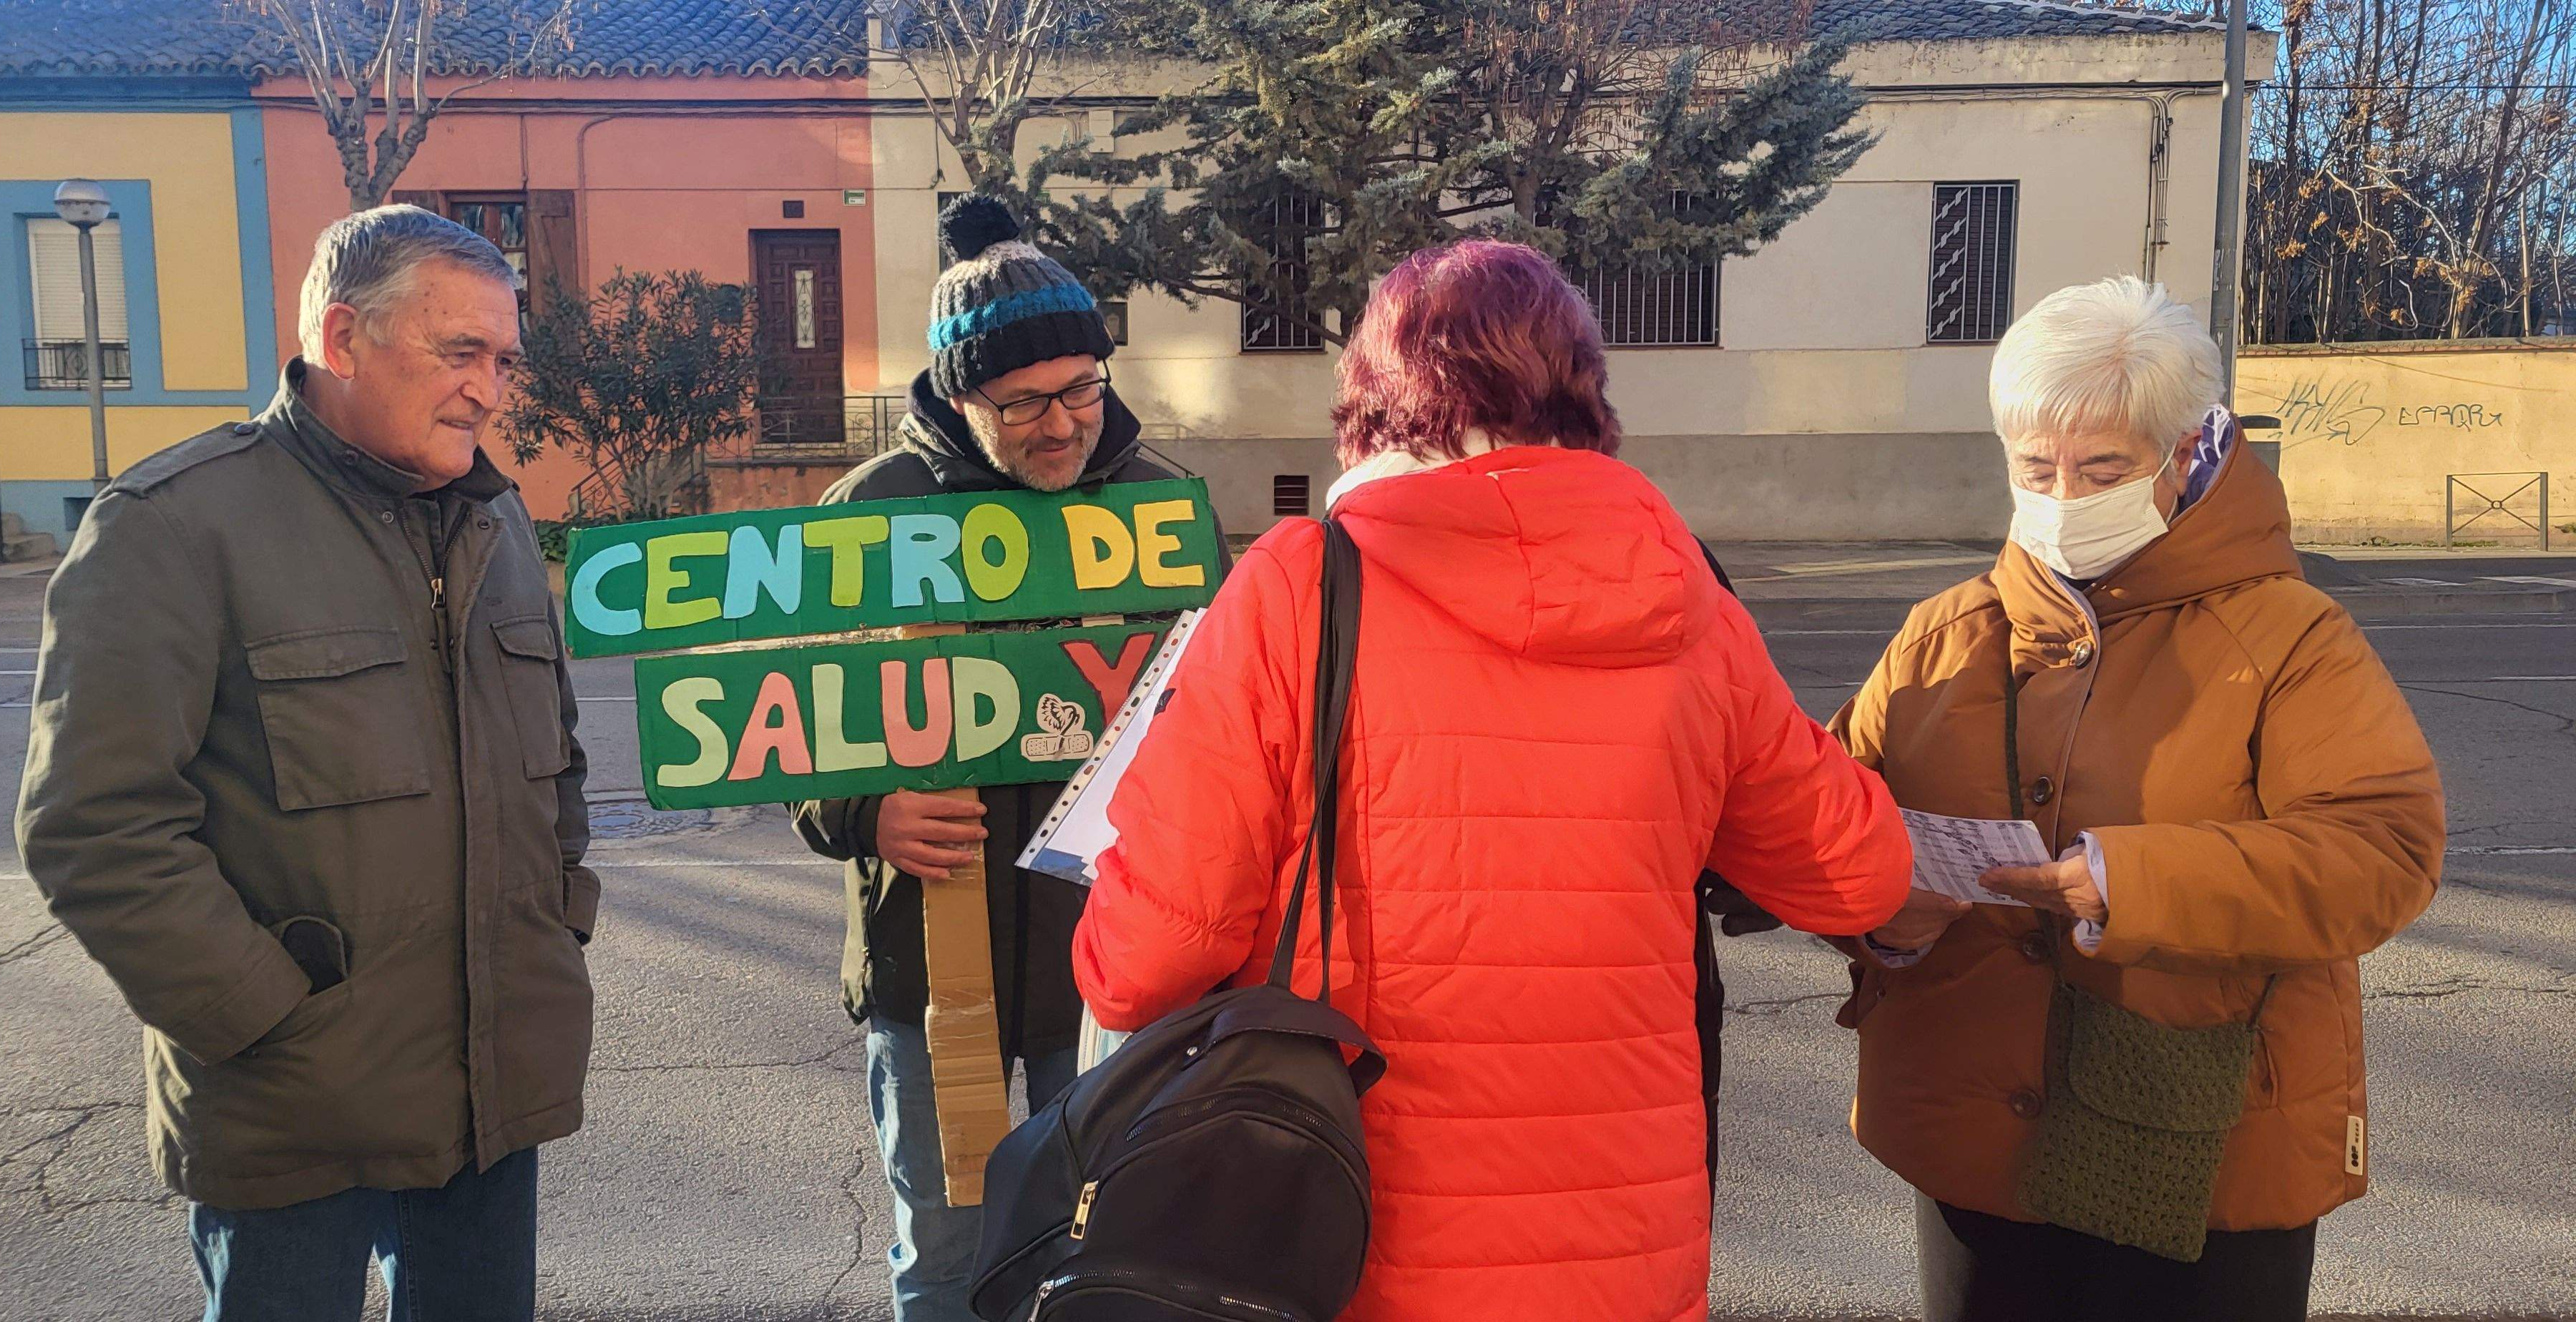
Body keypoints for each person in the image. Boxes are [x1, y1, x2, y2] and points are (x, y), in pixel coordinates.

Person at [1069, 239, 1915, 1321]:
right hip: (1622, 1243)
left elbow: (1144, 964)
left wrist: (1096, 927)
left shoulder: (1300, 585)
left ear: (1375, 396)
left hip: (1354, 1229)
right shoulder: (1685, 596)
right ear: (1580, 392)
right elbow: (1859, 875)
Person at [16, 205, 596, 1322]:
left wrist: (558, 918)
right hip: (290, 1105)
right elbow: (94, 825)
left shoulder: (495, 518)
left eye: (503, 358)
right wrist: (263, 1019)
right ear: (341, 339)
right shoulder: (174, 524)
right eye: (459, 352)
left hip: (489, 1087)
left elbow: (558, 764)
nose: (492, 389)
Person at [1830, 277, 2444, 1321]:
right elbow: (1831, 820)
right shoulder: (1942, 634)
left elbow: (2383, 851)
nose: (2064, 496)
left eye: (2102, 468)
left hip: (2208, 1151)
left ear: (2188, 457)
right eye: (2036, 468)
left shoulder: (2290, 637)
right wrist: (1873, 914)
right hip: (1972, 1143)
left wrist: (2128, 881)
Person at [788, 194, 1176, 1322]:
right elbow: (785, 732)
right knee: (944, 1261)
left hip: (1109, 967)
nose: (1062, 426)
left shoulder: (1157, 506)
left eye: (1082, 391)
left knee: (1094, 1251)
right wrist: (866, 816)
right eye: (1022, 404)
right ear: (959, 398)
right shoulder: (871, 514)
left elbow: (1218, 723)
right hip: (923, 965)